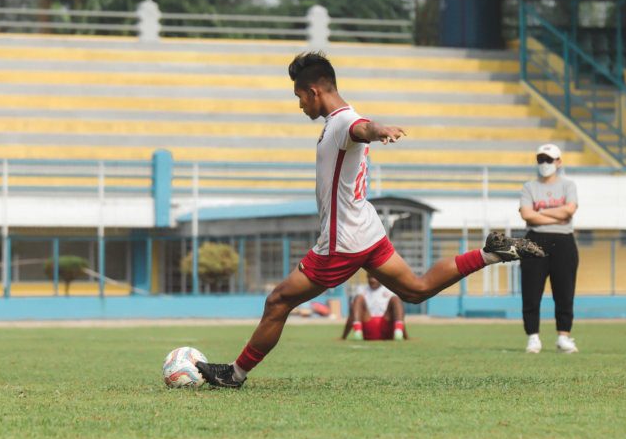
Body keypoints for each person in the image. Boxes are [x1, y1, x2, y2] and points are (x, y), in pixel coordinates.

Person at [195, 52, 544, 388]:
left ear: (315, 91)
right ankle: (492, 253)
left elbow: (362, 128)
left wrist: (380, 131)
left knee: (277, 302)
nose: (300, 104)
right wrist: (374, 130)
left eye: (300, 96)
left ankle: (234, 375)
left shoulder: (343, 122)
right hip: (368, 231)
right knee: (416, 290)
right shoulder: (341, 120)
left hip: (343, 242)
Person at [518, 144, 580, 354]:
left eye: (549, 159)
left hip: (564, 242)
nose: (544, 164)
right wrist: (557, 214)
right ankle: (533, 337)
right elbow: (527, 214)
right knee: (531, 290)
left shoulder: (568, 185)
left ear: (558, 162)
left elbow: (570, 209)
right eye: (541, 159)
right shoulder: (529, 187)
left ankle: (563, 337)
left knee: (564, 291)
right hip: (535, 240)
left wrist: (540, 212)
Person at [341, 272, 407, 341]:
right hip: (367, 324)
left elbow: (397, 314)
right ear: (367, 278)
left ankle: (398, 334)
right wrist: (343, 337)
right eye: (370, 277)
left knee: (396, 299)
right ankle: (357, 334)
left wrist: (406, 337)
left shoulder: (389, 290)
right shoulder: (361, 289)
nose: (373, 280)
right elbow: (353, 314)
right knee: (358, 298)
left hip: (386, 324)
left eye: (375, 277)